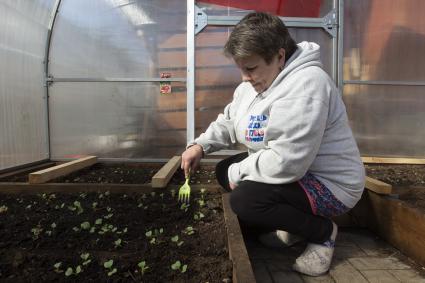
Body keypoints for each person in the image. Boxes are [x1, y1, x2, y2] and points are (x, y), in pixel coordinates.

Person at [181, 12, 365, 276]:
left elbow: (287, 162)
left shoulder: (307, 85)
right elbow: (231, 120)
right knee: (224, 171)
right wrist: (199, 146)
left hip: (329, 184)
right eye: (241, 69)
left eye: (251, 68)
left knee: (245, 200)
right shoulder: (257, 82)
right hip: (297, 170)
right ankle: (293, 226)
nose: (245, 77)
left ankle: (322, 232)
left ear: (280, 56)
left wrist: (239, 174)